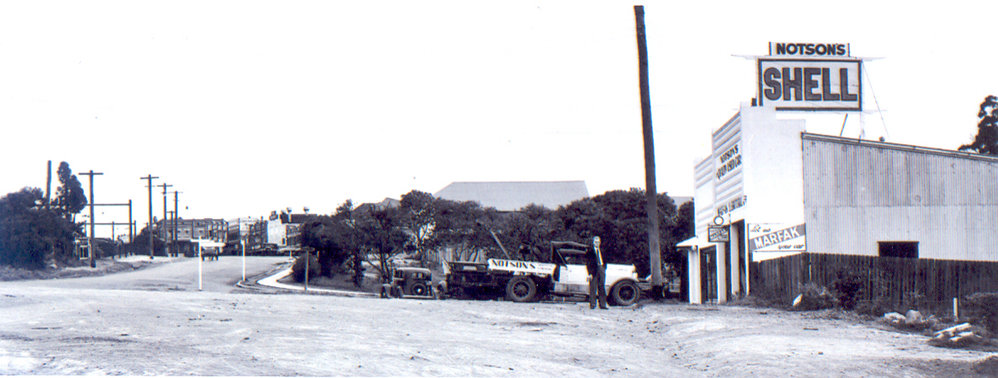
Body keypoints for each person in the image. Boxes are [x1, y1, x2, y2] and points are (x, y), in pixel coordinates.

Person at [586, 236, 608, 309]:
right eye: (595, 242)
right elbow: (588, 263)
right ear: (593, 242)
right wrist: (589, 273)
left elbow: (605, 260)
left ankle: (602, 305)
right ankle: (592, 304)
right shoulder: (590, 251)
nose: (597, 243)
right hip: (593, 270)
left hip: (601, 268)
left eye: (598, 242)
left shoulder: (603, 251)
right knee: (593, 287)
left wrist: (604, 268)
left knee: (601, 287)